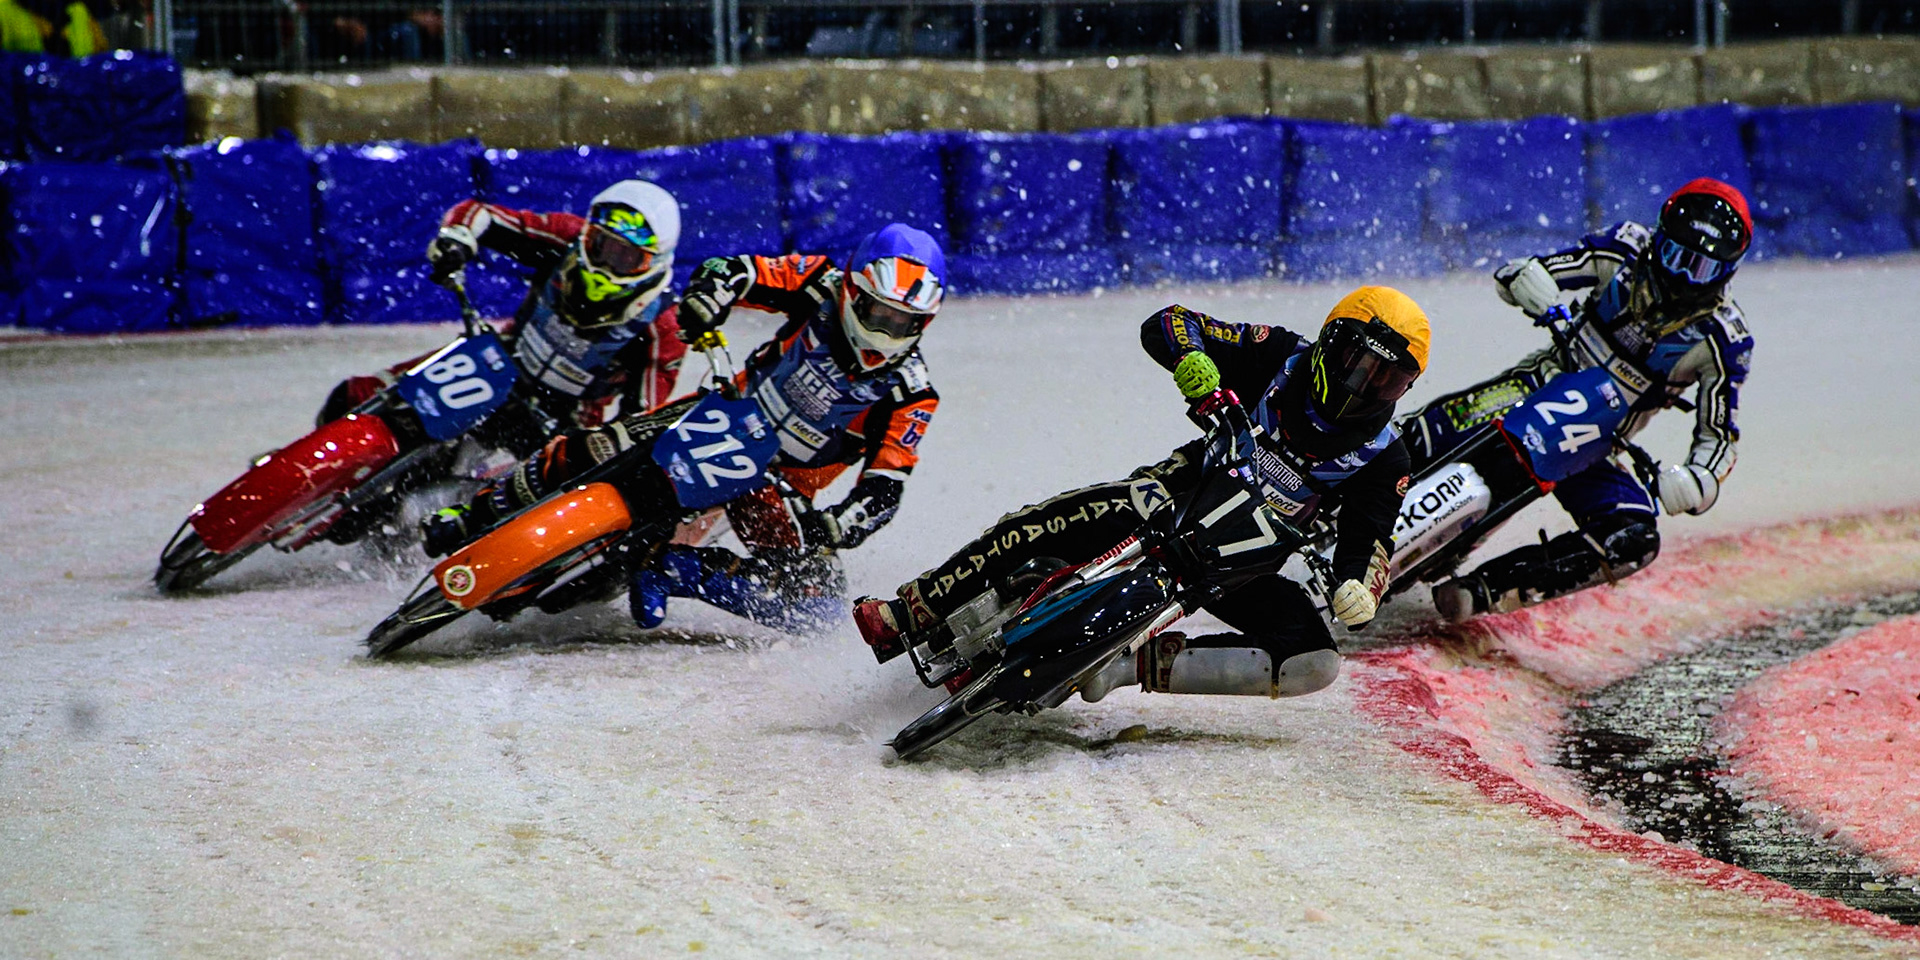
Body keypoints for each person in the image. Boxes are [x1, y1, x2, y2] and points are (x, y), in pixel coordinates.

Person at [856, 286, 1430, 702]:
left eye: (1389, 379)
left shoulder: (1387, 456)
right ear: (1331, 344)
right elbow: (1172, 320)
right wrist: (1196, 362)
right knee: (1052, 520)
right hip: (1171, 498)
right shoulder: (1278, 353)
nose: (1368, 388)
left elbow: (1370, 536)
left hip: (1239, 572)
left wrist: (1361, 586)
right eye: (1360, 367)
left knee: (1314, 664)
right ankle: (912, 609)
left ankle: (1123, 668)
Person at [421, 222, 948, 634]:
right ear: (854, 288)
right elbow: (737, 269)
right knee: (597, 445)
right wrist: (707, 301)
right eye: (877, 311)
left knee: (819, 612)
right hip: (723, 410)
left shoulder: (913, 393)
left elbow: (884, 489)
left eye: (904, 321)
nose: (885, 331)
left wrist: (834, 526)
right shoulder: (821, 283)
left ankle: (679, 569)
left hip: (777, 481)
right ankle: (474, 512)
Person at [1408, 178, 1756, 621]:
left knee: (1634, 537)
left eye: (1701, 269)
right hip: (1533, 386)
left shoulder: (1725, 338)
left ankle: (1483, 591)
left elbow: (1720, 434)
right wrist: (1530, 281)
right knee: (1427, 432)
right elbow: (1533, 270)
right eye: (1675, 257)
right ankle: (1337, 486)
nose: (1683, 277)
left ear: (1727, 271)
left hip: (1598, 443)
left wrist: (1700, 478)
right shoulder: (1626, 248)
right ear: (1658, 239)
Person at [318, 179, 687, 444]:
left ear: (655, 262)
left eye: (626, 257)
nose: (608, 264)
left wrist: (588, 447)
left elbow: (640, 422)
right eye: (601, 245)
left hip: (564, 418)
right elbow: (481, 214)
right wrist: (457, 242)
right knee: (354, 395)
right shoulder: (565, 238)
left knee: (519, 491)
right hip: (497, 358)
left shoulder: (663, 326)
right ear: (588, 234)